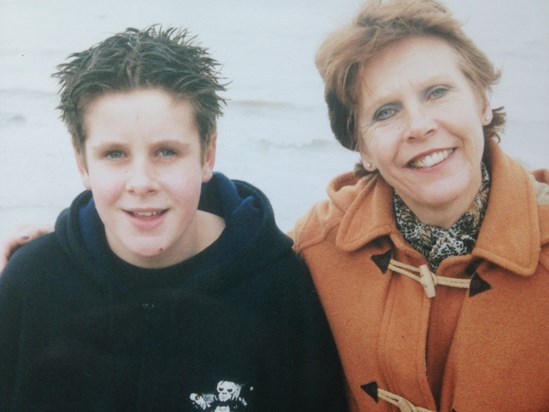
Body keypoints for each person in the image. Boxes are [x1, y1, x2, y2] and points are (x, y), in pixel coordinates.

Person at [0, 26, 347, 411]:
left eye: (166, 152)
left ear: (207, 154)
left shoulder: (281, 287)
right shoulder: (31, 282)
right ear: (82, 162)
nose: (142, 182)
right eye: (114, 154)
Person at [290, 0, 549, 411]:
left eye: (438, 92)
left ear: (482, 101)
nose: (419, 126)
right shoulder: (316, 248)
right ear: (363, 148)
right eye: (385, 112)